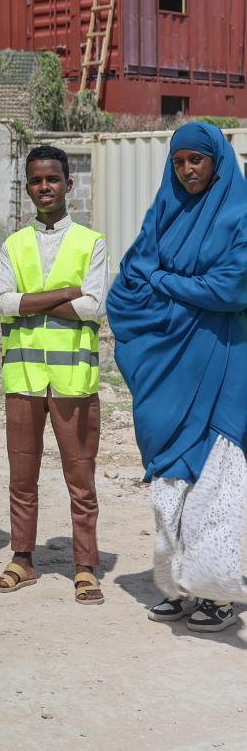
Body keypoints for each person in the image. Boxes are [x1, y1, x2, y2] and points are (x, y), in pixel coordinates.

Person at [109, 122, 247, 632]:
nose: (188, 170)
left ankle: (217, 596)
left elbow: (231, 289)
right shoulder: (164, 211)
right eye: (179, 161)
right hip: (170, 366)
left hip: (224, 362)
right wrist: (184, 290)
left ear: (217, 161)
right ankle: (179, 587)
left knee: (216, 482)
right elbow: (129, 282)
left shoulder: (240, 213)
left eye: (197, 160)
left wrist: (165, 281)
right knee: (171, 484)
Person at [0, 145, 107, 604]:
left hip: (73, 381)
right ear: (27, 187)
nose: (45, 187)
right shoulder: (14, 244)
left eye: (52, 179)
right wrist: (63, 293)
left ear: (68, 184)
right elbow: (2, 302)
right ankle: (23, 558)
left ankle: (85, 566)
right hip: (23, 379)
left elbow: (93, 307)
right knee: (22, 477)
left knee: (81, 479)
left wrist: (30, 301)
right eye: (36, 180)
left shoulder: (91, 242)